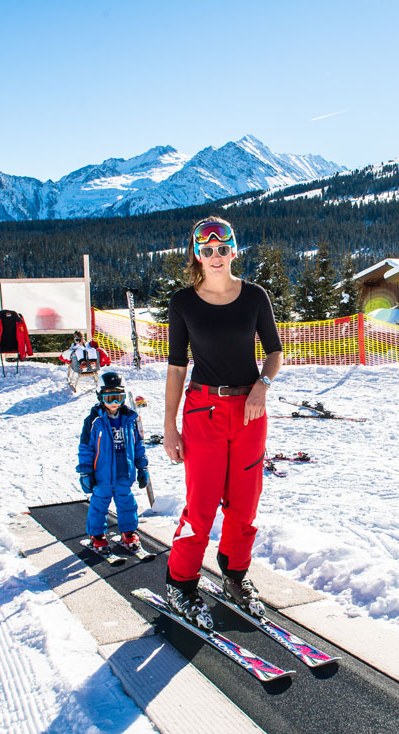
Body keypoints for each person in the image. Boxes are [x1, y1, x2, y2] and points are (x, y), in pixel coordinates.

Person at [162, 217, 283, 628]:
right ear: (198, 254)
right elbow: (177, 368)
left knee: (244, 504)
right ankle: (181, 582)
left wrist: (262, 387)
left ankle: (234, 574)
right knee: (202, 504)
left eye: (223, 248)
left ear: (234, 250)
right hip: (203, 412)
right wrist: (169, 426)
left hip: (249, 411)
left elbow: (274, 353)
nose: (216, 256)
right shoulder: (183, 302)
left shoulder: (254, 297)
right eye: (207, 250)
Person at [77, 372, 149, 554]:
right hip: (102, 474)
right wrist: (85, 471)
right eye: (109, 398)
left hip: (124, 471)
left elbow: (138, 444)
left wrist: (142, 467)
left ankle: (128, 532)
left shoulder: (130, 420)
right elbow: (86, 447)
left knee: (127, 503)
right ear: (100, 397)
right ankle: (97, 535)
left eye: (118, 397)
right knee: (99, 504)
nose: (114, 403)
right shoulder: (94, 421)